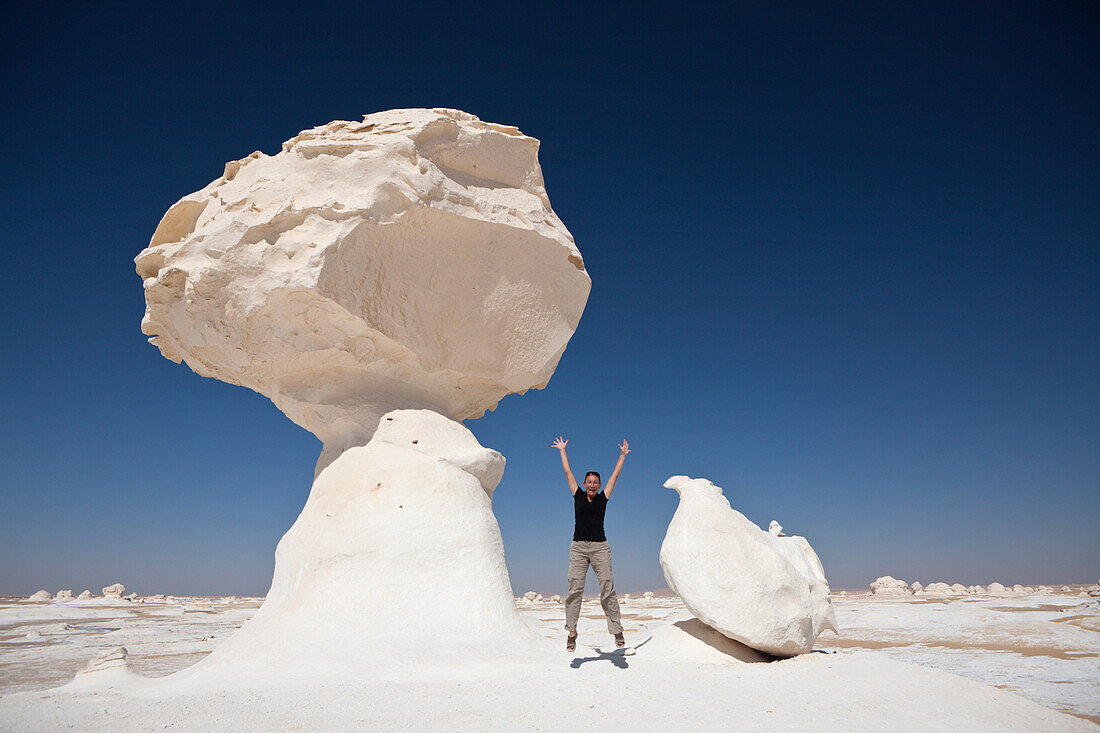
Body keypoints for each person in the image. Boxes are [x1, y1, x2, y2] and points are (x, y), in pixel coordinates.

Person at [552, 436, 630, 652]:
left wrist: (622, 455)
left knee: (607, 588)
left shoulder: (603, 498)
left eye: (596, 482)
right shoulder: (577, 495)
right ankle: (572, 633)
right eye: (589, 482)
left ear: (599, 485)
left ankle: (617, 631)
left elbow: (615, 475)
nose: (592, 485)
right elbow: (568, 473)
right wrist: (562, 451)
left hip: (600, 547)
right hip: (578, 547)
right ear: (584, 484)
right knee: (575, 589)